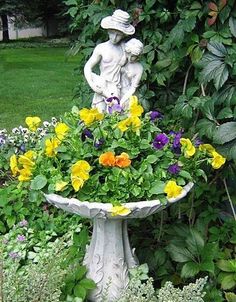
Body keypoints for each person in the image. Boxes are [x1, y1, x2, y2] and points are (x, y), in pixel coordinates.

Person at [84, 9, 135, 112]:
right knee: (99, 116)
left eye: (119, 34)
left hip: (119, 88)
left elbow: (132, 68)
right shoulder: (101, 48)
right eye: (112, 33)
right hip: (102, 87)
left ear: (124, 34)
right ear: (108, 30)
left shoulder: (126, 49)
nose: (114, 37)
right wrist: (93, 85)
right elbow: (88, 67)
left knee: (117, 119)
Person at [120, 38, 144, 110]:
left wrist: (122, 100)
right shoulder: (122, 61)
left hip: (128, 94)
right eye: (128, 54)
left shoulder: (139, 68)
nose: (130, 58)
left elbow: (133, 88)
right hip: (117, 89)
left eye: (133, 56)